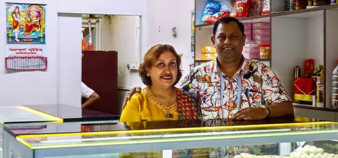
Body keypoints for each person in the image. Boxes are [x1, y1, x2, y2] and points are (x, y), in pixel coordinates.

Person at [123, 16, 293, 121]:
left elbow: (287, 107)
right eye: (222, 37)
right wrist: (139, 92)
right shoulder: (198, 75)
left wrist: (264, 110)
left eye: (233, 37)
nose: (227, 42)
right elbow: (170, 92)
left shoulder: (262, 73)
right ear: (213, 41)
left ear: (243, 40)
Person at [120, 44, 199, 123]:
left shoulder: (188, 99)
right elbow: (127, 134)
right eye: (161, 64)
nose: (168, 71)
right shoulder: (138, 101)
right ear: (148, 70)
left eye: (172, 64)